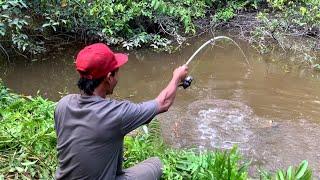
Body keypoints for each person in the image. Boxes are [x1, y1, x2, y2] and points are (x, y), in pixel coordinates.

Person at [54, 43, 188, 180]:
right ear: (109, 77)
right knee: (156, 164)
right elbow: (163, 103)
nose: (118, 78)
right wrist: (177, 77)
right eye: (117, 72)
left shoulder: (63, 104)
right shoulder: (116, 113)